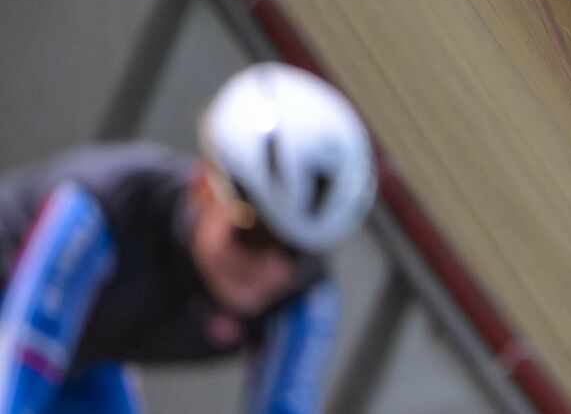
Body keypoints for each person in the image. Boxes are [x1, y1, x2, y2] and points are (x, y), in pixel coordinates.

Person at [0, 63, 377, 414]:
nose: (269, 267)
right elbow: (24, 358)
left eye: (298, 253)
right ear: (203, 184)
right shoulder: (106, 208)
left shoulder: (301, 298)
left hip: (80, 360)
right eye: (255, 233)